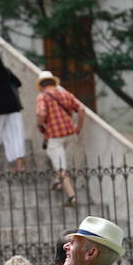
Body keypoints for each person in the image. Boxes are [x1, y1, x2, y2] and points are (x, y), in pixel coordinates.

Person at [36, 70, 85, 207]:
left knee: (61, 168)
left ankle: (72, 197)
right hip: (70, 134)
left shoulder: (42, 96)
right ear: (53, 82)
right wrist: (79, 127)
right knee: (60, 162)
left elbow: (42, 113)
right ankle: (57, 182)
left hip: (55, 136)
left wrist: (40, 124)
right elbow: (81, 109)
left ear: (41, 85)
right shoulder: (64, 93)